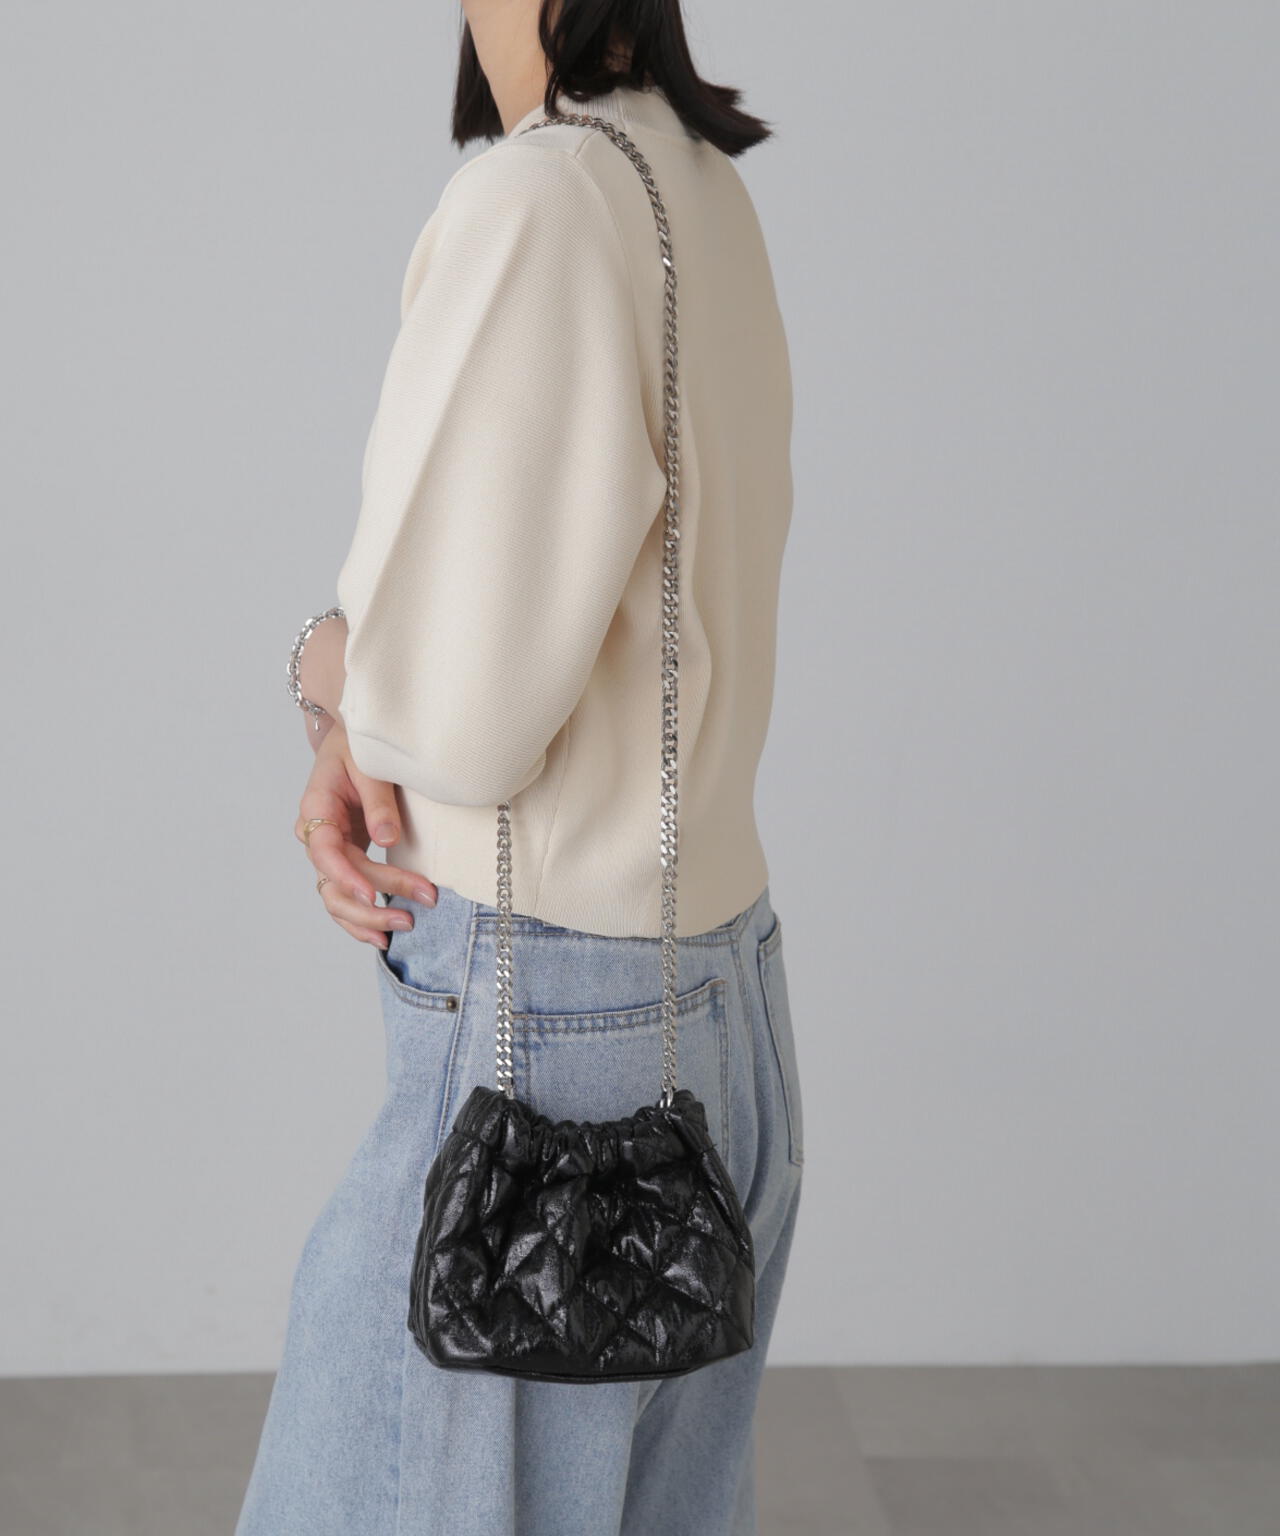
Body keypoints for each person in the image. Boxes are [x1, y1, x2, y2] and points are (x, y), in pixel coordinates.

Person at [240, 2, 803, 1532]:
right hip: (713, 1013)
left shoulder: (543, 196)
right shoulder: (693, 182)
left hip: (547, 1045)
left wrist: (328, 670)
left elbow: (457, 722)